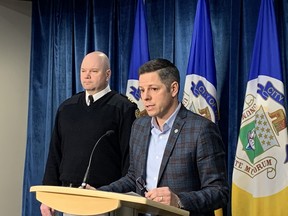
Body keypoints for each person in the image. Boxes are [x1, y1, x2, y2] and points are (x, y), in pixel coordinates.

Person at [90, 58, 229, 216]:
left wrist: (178, 200)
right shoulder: (139, 126)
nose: (146, 97)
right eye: (142, 90)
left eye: (154, 89)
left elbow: (219, 192)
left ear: (174, 89)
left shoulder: (201, 129)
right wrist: (99, 193)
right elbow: (133, 177)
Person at [40, 51, 138, 215]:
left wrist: (118, 198)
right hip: (69, 198)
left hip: (106, 200)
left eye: (93, 71)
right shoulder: (66, 107)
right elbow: (55, 154)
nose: (87, 76)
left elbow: (130, 160)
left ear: (107, 74)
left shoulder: (123, 108)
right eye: (83, 70)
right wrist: (47, 195)